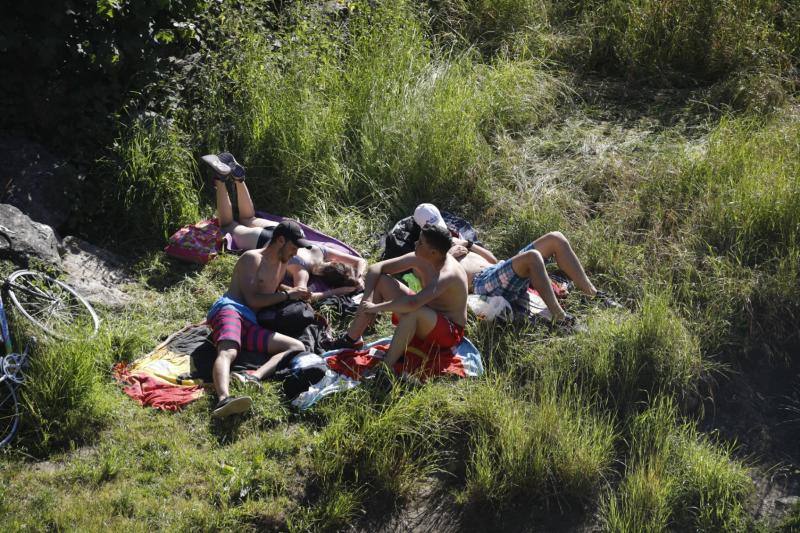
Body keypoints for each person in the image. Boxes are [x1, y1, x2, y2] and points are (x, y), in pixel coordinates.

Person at [410, 203, 622, 324]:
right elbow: (439, 286)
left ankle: (594, 296)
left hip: (495, 270)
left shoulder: (456, 239)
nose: (442, 231)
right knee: (533, 258)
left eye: (440, 226)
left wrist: (468, 244)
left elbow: (492, 260)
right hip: (482, 284)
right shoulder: (426, 254)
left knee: (555, 238)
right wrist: (450, 258)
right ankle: (561, 318)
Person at [201, 152, 366, 301]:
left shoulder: (320, 251)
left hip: (282, 231)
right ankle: (221, 180)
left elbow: (360, 260)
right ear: (324, 280)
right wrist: (334, 292)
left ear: (333, 262)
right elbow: (305, 296)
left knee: (248, 217)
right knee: (228, 225)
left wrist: (358, 277)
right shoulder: (302, 271)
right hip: (264, 242)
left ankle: (239, 179)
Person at [206, 219, 313, 418]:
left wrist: (294, 291)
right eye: (293, 247)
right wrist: (289, 296)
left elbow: (270, 287)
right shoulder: (251, 259)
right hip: (231, 310)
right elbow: (252, 299)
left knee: (296, 346)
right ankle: (223, 400)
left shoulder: (282, 264)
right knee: (229, 350)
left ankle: (253, 376)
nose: (296, 253)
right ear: (280, 240)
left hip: (251, 321)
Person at [328, 224, 468, 370]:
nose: (415, 243)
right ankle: (351, 339)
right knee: (381, 280)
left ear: (433, 253)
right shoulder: (422, 257)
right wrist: (368, 297)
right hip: (426, 312)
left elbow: (413, 304)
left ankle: (386, 369)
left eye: (420, 243)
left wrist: (377, 307)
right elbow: (377, 268)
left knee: (413, 313)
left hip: (449, 331)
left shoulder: (447, 274)